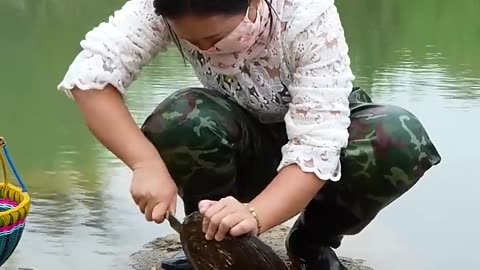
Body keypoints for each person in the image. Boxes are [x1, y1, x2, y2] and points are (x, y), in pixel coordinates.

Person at [57, 0, 441, 269]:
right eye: (193, 42)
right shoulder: (159, 7)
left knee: (396, 137)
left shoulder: (307, 14)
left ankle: (311, 243)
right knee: (182, 118)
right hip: (242, 131)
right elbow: (91, 79)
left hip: (323, 136)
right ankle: (212, 242)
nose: (206, 50)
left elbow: (316, 145)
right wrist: (145, 164)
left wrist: (256, 215)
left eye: (217, 39)